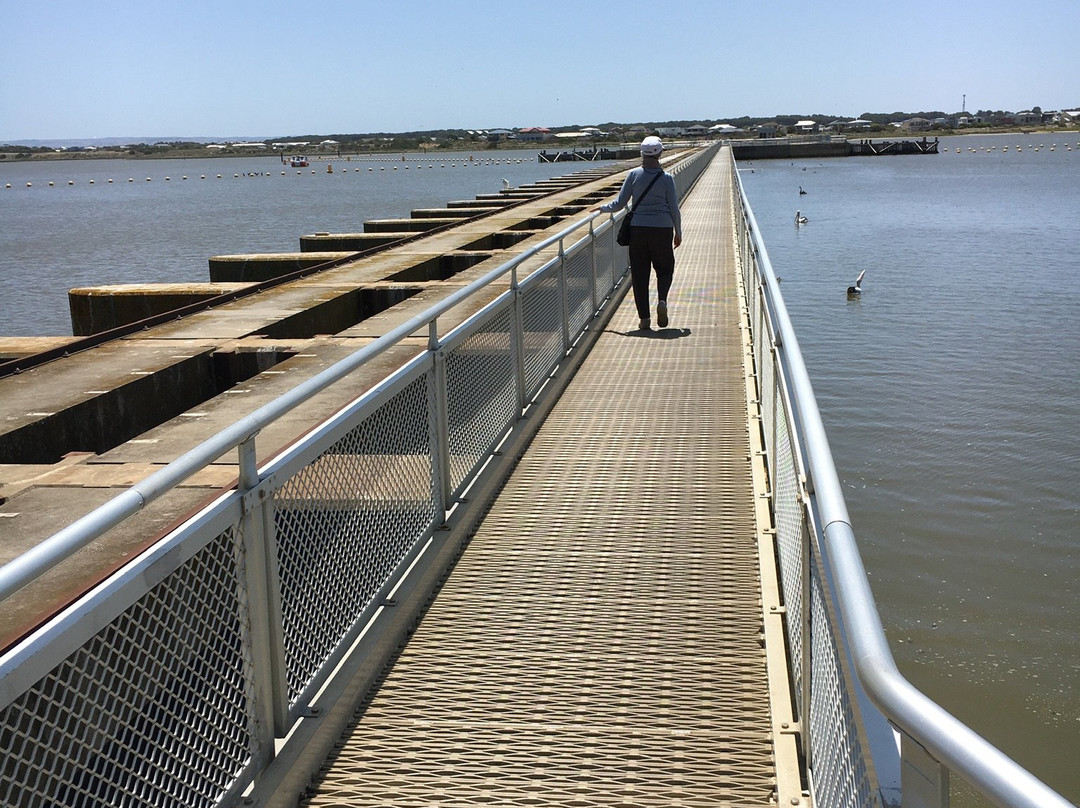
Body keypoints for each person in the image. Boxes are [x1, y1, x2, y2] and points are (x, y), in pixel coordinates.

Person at [592, 135, 682, 330]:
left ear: (642, 153)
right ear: (660, 153)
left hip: (638, 230)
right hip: (662, 229)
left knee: (640, 274)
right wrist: (678, 232)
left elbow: (620, 203)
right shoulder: (667, 179)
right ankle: (662, 300)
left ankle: (644, 319)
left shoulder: (633, 175)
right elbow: (674, 208)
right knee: (665, 269)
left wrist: (602, 209)